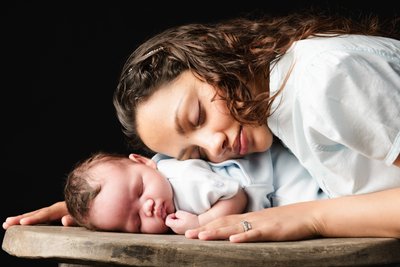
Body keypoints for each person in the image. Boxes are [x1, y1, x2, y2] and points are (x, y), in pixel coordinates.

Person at [4, 12, 400, 242]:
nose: (215, 147)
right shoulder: (279, 108)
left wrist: (311, 218)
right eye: (195, 154)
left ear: (213, 60)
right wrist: (98, 208)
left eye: (196, 117)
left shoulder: (324, 80)